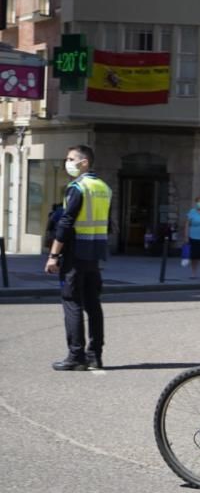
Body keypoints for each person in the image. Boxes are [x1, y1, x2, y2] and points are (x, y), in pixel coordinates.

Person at [45, 145, 112, 371]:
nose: (68, 162)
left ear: (84, 162)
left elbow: (65, 223)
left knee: (71, 302)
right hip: (95, 253)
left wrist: (54, 255)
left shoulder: (78, 187)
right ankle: (95, 355)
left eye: (71, 159)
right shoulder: (104, 187)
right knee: (93, 304)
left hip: (75, 253)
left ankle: (76, 355)